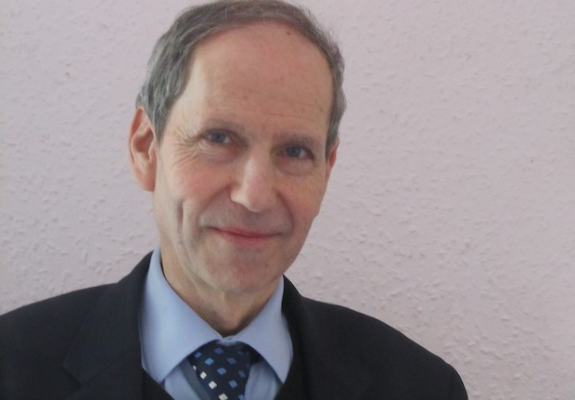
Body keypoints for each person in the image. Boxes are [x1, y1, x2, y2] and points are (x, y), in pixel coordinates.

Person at [0, 1, 468, 399]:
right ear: (146, 147)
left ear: (326, 170)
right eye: (219, 137)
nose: (255, 195)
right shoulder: (12, 369)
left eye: (294, 151)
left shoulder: (420, 387)